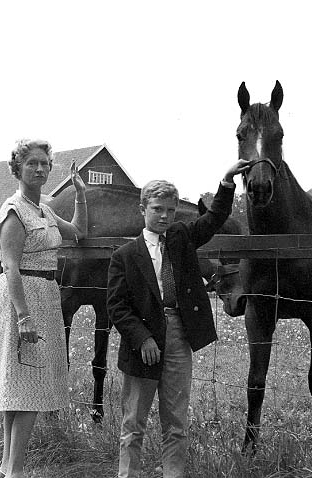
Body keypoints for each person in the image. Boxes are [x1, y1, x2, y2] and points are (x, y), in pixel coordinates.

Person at [106, 160, 249, 478]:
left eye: (170, 210)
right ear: (143, 208)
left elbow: (214, 219)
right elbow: (117, 307)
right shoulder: (125, 256)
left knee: (176, 421)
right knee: (133, 423)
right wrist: (142, 338)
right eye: (157, 209)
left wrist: (226, 181)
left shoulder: (182, 238)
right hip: (141, 342)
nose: (164, 216)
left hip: (179, 336)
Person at [0, 138, 87, 478]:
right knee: (26, 385)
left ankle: (6, 468)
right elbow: (11, 268)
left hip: (46, 296)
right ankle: (16, 470)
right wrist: (24, 316)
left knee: (21, 384)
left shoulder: (43, 209)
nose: (40, 169)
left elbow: (77, 232)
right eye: (32, 163)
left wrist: (80, 193)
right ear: (18, 168)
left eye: (45, 163)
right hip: (23, 297)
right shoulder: (15, 211)